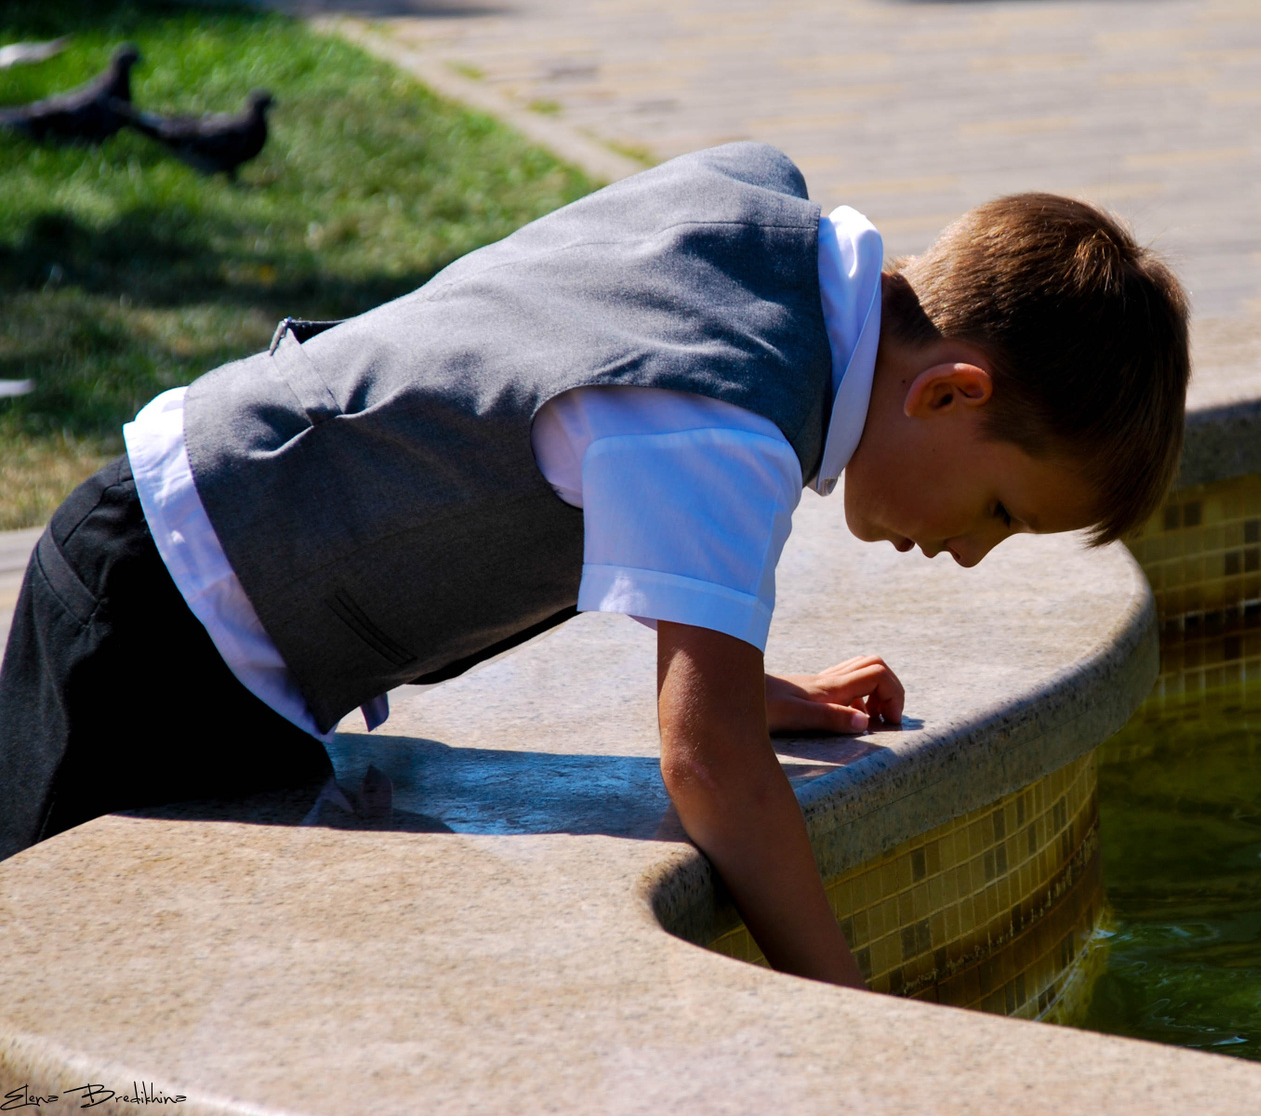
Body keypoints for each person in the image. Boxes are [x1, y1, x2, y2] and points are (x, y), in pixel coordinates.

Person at [0, 142, 1189, 987]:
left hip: (173, 566)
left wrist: (740, 684)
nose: (973, 552)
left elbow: (597, 427)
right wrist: (850, 1009)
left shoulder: (758, 214)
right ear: (949, 392)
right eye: (999, 509)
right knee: (55, 986)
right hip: (160, 631)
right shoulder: (731, 422)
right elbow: (707, 765)